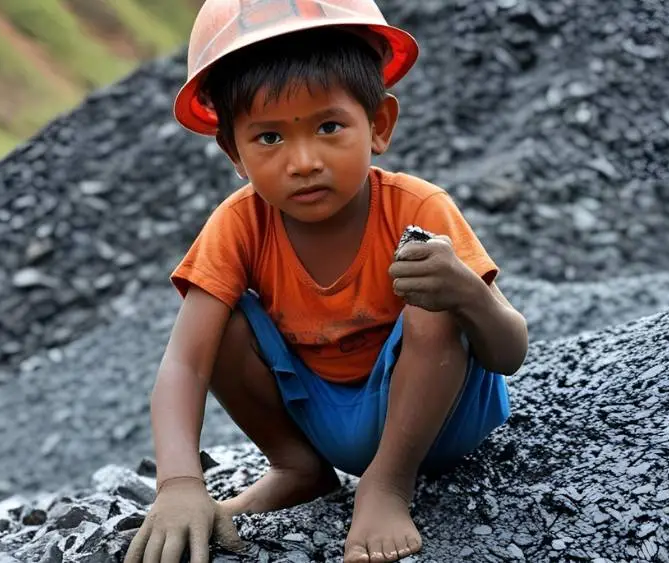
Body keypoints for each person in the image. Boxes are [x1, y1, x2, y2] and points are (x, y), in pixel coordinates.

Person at [125, 1, 529, 562]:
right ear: (234, 153)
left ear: (379, 124)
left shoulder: (418, 207)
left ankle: (386, 488)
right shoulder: (239, 224)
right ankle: (298, 469)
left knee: (432, 289)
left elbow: (509, 353)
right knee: (219, 318)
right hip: (327, 419)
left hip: (443, 420)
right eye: (269, 138)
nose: (304, 161)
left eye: (330, 126)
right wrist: (178, 486)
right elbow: (184, 363)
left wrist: (468, 293)